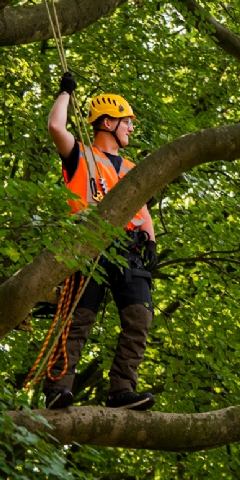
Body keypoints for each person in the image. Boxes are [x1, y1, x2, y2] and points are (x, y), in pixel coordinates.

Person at [44, 72, 159, 411]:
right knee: (79, 318)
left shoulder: (132, 168)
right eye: (126, 122)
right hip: (88, 242)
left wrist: (151, 242)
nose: (131, 129)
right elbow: (55, 128)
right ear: (107, 122)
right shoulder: (81, 155)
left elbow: (143, 211)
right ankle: (58, 388)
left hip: (127, 249)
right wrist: (65, 93)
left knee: (140, 317)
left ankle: (122, 390)